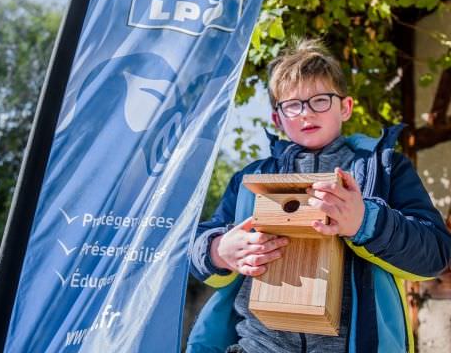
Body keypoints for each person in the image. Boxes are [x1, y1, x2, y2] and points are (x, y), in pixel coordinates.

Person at [187, 38, 451, 353]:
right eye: (292, 105)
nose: (305, 113)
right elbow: (196, 248)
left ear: (345, 107)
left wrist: (365, 221)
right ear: (277, 119)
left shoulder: (385, 170)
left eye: (320, 100)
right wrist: (219, 250)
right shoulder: (249, 179)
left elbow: (436, 254)